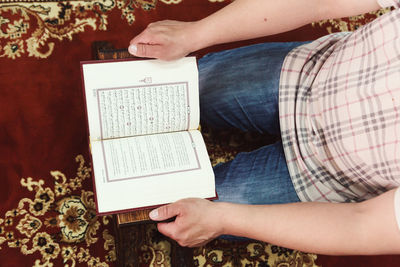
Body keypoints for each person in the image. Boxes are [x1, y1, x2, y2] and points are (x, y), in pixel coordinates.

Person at [127, 0, 400, 255]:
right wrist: (194, 34)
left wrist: (222, 219)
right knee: (170, 89)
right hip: (306, 75)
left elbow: (362, 226)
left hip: (325, 181)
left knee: (169, 208)